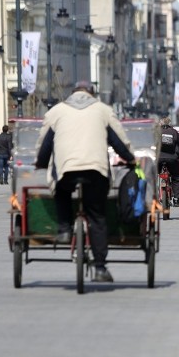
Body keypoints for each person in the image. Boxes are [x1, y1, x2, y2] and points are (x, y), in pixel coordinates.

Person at [34, 81, 135, 283]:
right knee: (97, 216)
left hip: (67, 170)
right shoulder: (103, 110)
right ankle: (100, 268)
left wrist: (41, 163)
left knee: (61, 190)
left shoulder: (56, 111)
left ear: (72, 94)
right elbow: (118, 142)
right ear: (92, 93)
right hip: (96, 171)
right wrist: (130, 159)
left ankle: (64, 229)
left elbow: (45, 145)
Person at [158, 117, 179, 207]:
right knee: (177, 177)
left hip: (158, 158)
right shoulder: (174, 132)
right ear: (169, 123)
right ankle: (176, 199)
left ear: (160, 123)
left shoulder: (156, 131)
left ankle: (151, 197)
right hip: (172, 158)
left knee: (152, 176)